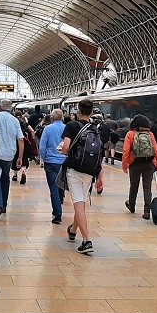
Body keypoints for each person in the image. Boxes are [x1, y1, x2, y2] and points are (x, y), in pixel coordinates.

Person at [60, 98, 104, 255]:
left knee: (79, 205)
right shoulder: (97, 128)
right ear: (91, 112)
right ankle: (73, 230)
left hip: (75, 170)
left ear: (78, 110)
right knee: (81, 202)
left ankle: (86, 241)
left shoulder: (71, 126)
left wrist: (66, 152)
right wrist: (100, 178)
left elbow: (65, 148)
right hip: (90, 172)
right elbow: (100, 155)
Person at [0, 99, 24, 220]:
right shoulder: (15, 120)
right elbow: (21, 140)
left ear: (0, 107)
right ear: (11, 109)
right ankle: (4, 205)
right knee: (5, 179)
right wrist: (20, 157)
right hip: (9, 155)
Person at [122, 114, 157, 220]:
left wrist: (125, 165)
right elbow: (156, 150)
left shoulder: (130, 134)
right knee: (147, 187)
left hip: (135, 163)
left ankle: (131, 205)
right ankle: (147, 212)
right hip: (149, 163)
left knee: (134, 185)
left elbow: (126, 151)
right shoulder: (150, 134)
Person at [39, 108, 66, 224]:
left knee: (53, 188)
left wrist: (45, 158)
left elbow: (42, 146)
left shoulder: (47, 129)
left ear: (52, 117)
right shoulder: (67, 128)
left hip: (51, 161)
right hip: (64, 161)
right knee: (61, 185)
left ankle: (57, 213)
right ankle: (59, 203)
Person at [12, 111, 37, 185]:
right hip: (25, 143)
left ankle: (15, 175)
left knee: (15, 158)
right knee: (24, 158)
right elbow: (32, 131)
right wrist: (32, 138)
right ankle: (23, 172)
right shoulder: (25, 123)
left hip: (16, 143)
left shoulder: (14, 122)